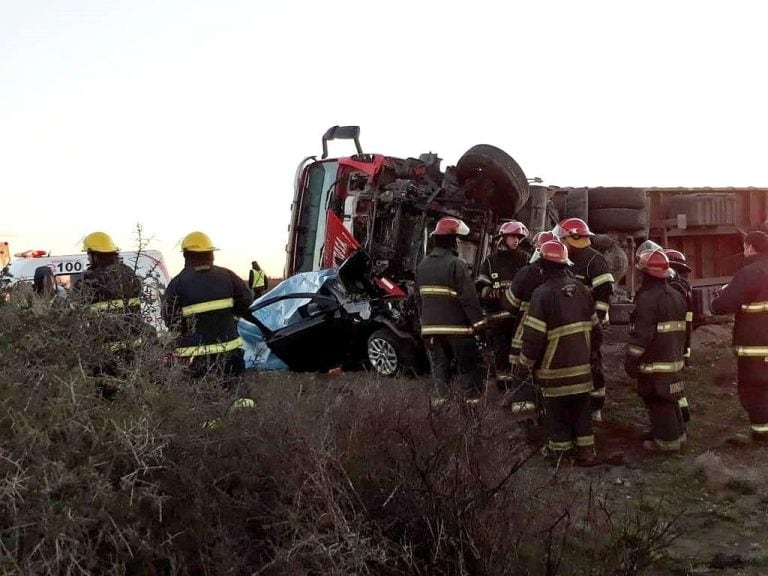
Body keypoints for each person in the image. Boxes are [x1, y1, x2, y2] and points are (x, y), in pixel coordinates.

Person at [518, 240, 600, 466]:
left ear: (543, 266)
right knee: (582, 412)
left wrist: (525, 362)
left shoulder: (541, 294)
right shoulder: (583, 290)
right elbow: (597, 329)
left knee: (557, 413)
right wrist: (591, 356)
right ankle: (586, 452)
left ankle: (561, 452)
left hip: (554, 371)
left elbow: (534, 336)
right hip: (582, 370)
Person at [163, 231, 253, 381]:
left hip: (193, 355)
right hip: (229, 348)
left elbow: (170, 318)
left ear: (186, 255)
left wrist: (187, 331)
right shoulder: (228, 276)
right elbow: (245, 302)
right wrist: (228, 320)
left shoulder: (177, 283)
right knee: (236, 392)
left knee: (200, 398)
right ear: (211, 253)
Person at [416, 217, 487, 403]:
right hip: (458, 330)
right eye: (457, 239)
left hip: (431, 330)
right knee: (468, 369)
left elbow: (418, 299)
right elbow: (469, 299)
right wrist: (480, 325)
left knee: (440, 370)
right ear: (452, 241)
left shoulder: (422, 266)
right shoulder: (456, 264)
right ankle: (472, 411)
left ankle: (441, 410)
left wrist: (424, 325)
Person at [625, 248, 688, 453]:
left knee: (657, 399)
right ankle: (676, 434)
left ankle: (667, 443)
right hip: (674, 358)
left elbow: (642, 335)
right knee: (671, 398)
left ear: (646, 273)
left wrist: (631, 360)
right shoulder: (677, 295)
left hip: (654, 362)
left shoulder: (648, 299)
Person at [73, 232, 148, 397]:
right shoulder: (129, 274)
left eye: (89, 255)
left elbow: (75, 313)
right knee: (133, 393)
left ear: (96, 256)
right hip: (134, 347)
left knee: (106, 396)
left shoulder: (88, 280)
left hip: (104, 352)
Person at [711, 230, 768, 443]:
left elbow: (724, 305)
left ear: (751, 247)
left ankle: (762, 435)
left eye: (744, 246)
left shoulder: (750, 272)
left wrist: (718, 300)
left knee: (757, 389)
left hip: (756, 345)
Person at [555, 218, 614, 421]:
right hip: (570, 322)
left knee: (592, 363)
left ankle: (596, 407)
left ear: (573, 238)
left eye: (563, 238)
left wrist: (595, 321)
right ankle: (576, 403)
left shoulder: (593, 260)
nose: (561, 242)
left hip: (589, 324)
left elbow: (604, 293)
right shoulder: (566, 258)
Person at [500, 229, 558, 413]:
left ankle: (524, 414)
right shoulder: (566, 276)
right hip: (555, 337)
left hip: (527, 334)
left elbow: (509, 304)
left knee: (524, 372)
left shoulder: (526, 273)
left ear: (537, 250)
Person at [476, 221, 530, 385]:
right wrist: (492, 293)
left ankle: (519, 383)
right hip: (498, 316)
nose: (516, 240)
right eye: (512, 236)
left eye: (518, 237)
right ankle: (503, 382)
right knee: (501, 350)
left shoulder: (525, 258)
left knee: (519, 348)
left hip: (519, 315)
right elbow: (480, 288)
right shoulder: (491, 261)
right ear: (503, 237)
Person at [665, 248, 694, 423]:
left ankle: (680, 413)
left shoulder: (674, 288)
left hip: (673, 341)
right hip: (683, 341)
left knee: (669, 381)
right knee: (676, 379)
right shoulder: (684, 287)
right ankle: (683, 410)